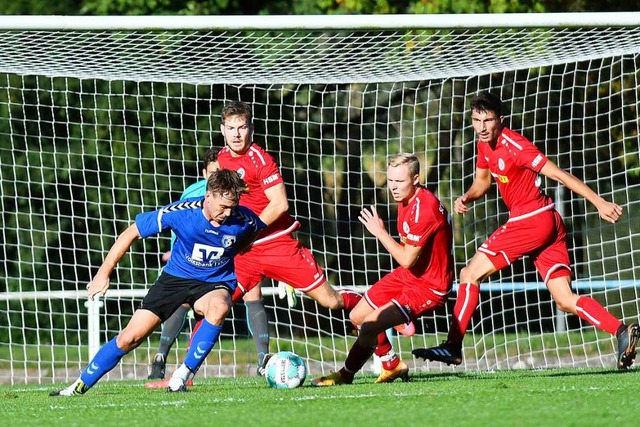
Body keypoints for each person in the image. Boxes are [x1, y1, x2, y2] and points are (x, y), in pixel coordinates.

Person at [412, 91, 638, 370]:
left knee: (469, 274)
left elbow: (559, 174)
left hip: (531, 219)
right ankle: (620, 330)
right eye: (476, 120)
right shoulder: (484, 144)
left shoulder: (515, 145)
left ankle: (453, 346)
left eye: (488, 120)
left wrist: (599, 202)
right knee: (565, 300)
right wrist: (468, 197)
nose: (481, 127)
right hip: (548, 221)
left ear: (501, 120)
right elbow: (482, 181)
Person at [50, 169, 265, 396]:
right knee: (130, 338)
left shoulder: (245, 220)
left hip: (213, 283)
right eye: (223, 207)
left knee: (220, 306)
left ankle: (182, 375)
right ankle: (78, 386)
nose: (228, 213)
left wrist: (230, 253)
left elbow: (252, 234)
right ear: (208, 196)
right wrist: (103, 273)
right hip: (175, 280)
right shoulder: (181, 212)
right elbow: (131, 233)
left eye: (233, 206)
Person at [311, 153, 454, 386]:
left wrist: (380, 232)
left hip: (430, 287)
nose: (394, 187)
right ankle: (392, 364)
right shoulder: (406, 200)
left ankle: (345, 375)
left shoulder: (424, 208)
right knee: (357, 317)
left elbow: (407, 258)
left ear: (416, 178)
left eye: (400, 181)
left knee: (369, 325)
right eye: (390, 180)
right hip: (410, 276)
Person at [146, 148, 280, 382]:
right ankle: (161, 356)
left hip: (229, 250)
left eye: (221, 171)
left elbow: (252, 223)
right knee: (183, 301)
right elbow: (179, 224)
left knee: (253, 291)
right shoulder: (194, 194)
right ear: (204, 174)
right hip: (193, 259)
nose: (217, 176)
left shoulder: (236, 196)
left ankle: (262, 358)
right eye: (212, 172)